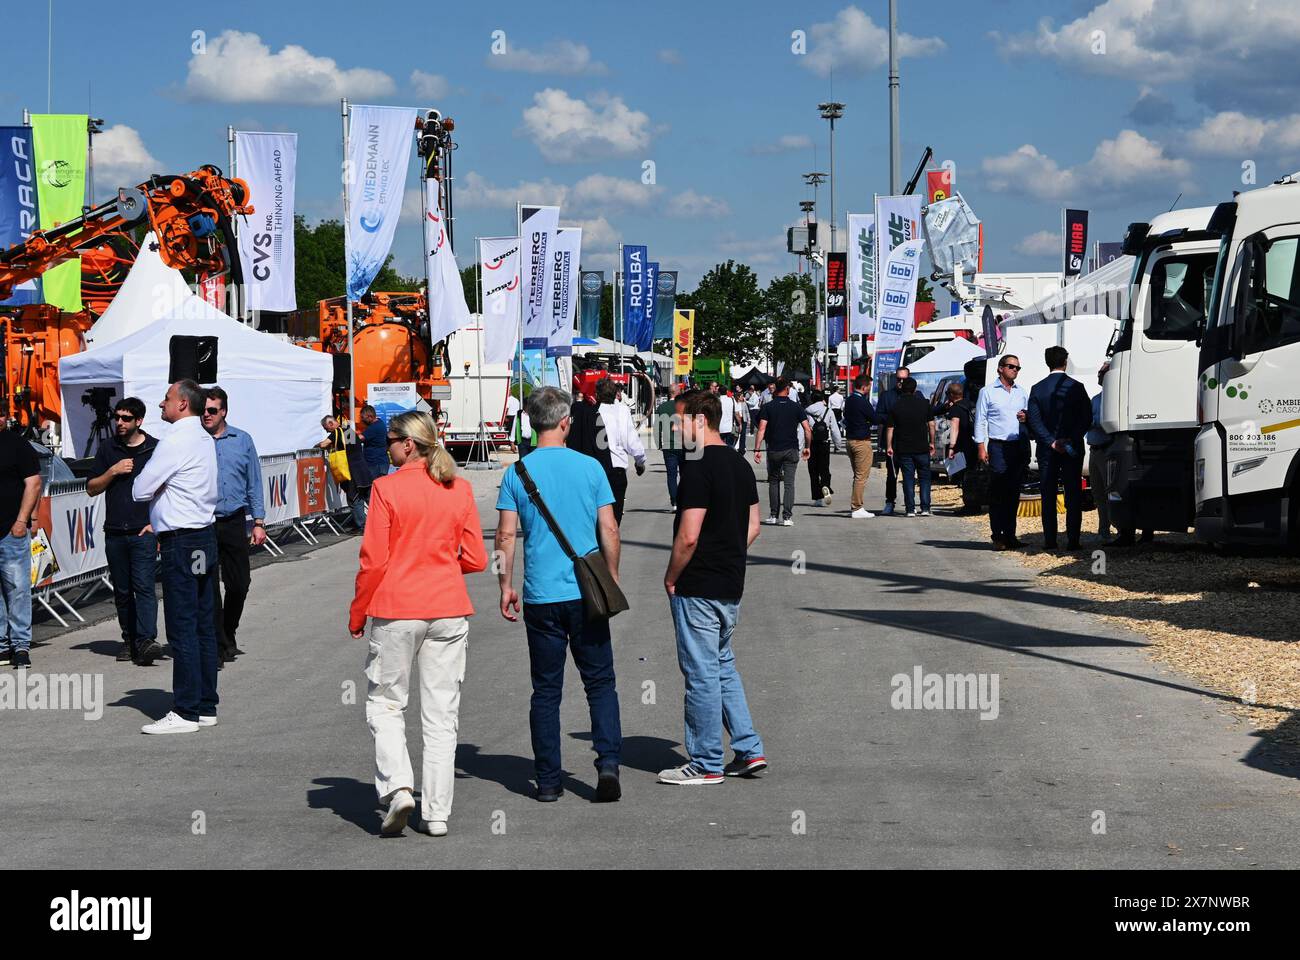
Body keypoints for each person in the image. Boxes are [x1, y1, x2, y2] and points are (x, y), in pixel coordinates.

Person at [349, 411, 487, 838]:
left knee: (387, 704)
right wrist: (441, 563)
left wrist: (358, 611)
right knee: (441, 714)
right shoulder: (458, 488)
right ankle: (438, 813)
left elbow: (374, 560)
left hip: (397, 608)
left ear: (408, 444)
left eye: (391, 440)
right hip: (448, 607)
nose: (386, 446)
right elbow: (477, 558)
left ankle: (399, 787)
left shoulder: (386, 488)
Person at [494, 386, 623, 803]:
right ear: (565, 422)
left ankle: (548, 781)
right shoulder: (590, 468)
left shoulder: (517, 473)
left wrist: (505, 584)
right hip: (587, 594)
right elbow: (610, 529)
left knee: (546, 690)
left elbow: (504, 536)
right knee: (600, 682)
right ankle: (607, 765)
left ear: (531, 423)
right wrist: (612, 577)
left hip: (541, 596)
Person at [659, 390, 767, 786]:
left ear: (700, 421)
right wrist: (730, 552)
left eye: (680, 419)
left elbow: (688, 535)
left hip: (698, 583)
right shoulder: (740, 465)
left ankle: (705, 761)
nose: (674, 426)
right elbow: (752, 525)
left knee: (701, 671)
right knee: (722, 665)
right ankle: (748, 747)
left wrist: (672, 576)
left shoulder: (697, 465)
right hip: (730, 580)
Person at [132, 380, 220, 734]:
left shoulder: (176, 440)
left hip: (181, 541)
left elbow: (140, 489)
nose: (161, 404)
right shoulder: (202, 437)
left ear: (183, 404)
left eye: (167, 399)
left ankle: (185, 711)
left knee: (183, 625)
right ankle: (204, 703)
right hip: (202, 536)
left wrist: (161, 490)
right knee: (202, 622)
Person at [87, 397, 161, 666]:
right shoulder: (108, 448)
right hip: (116, 531)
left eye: (126, 418)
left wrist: (158, 525)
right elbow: (92, 487)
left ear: (138, 421)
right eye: (117, 417)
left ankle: (146, 641)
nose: (119, 422)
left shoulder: (154, 448)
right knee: (122, 590)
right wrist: (113, 471)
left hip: (143, 531)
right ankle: (130, 640)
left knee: (143, 587)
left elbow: (166, 489)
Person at [202, 387, 267, 664]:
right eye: (203, 410)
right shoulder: (195, 441)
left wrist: (259, 521)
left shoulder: (242, 440)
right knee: (208, 587)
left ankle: (228, 633)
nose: (206, 415)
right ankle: (216, 644)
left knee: (239, 584)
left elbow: (254, 481)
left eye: (212, 410)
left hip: (234, 521)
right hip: (203, 523)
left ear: (224, 412)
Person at [1027, 346, 1093, 551]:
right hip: (1072, 447)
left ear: (1047, 362)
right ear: (1065, 361)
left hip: (1048, 450)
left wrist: (1051, 441)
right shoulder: (1077, 387)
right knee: (1073, 493)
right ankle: (1073, 540)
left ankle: (1050, 540)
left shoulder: (1037, 389)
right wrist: (1069, 440)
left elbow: (1035, 421)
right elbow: (1086, 418)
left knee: (1048, 494)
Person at [973, 355, 1030, 550]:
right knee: (998, 491)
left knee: (1013, 492)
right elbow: (980, 420)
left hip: (1017, 445)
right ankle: (998, 535)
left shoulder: (1022, 392)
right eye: (1011, 366)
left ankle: (1011, 535)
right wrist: (981, 446)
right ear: (1000, 369)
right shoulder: (987, 392)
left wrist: (1026, 417)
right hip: (998, 446)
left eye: (1017, 367)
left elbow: (1029, 415)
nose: (1014, 370)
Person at [0, 424, 42, 669]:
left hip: (11, 529)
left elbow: (34, 483)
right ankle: (2, 645)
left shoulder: (16, 444)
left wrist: (22, 520)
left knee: (17, 589)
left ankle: (20, 646)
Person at [753, 378, 811, 526]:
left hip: (774, 449)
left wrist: (757, 449)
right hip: (791, 449)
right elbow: (807, 429)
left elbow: (761, 429)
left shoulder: (768, 407)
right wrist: (807, 447)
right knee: (789, 484)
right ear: (787, 389)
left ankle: (773, 515)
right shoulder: (796, 407)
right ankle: (787, 517)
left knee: (773, 482)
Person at [596, 378, 646, 525]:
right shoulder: (622, 411)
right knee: (615, 517)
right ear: (616, 393)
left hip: (597, 469)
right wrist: (640, 460)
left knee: (598, 516)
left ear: (598, 394)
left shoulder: (593, 411)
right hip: (617, 469)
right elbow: (630, 439)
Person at [885, 378, 936, 517]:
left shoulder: (895, 406)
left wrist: (889, 446)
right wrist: (932, 442)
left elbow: (890, 428)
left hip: (903, 447)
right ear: (915, 389)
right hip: (921, 446)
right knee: (925, 477)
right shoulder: (924, 404)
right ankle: (925, 508)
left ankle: (910, 508)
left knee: (908, 478)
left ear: (902, 388)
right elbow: (931, 425)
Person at [874, 366, 914, 516]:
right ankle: (890, 502)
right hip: (893, 442)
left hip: (910, 441)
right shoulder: (887, 396)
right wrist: (894, 418)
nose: (901, 382)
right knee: (892, 474)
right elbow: (878, 416)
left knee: (909, 475)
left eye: (904, 379)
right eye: (898, 379)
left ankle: (911, 505)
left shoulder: (916, 395)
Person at [319, 414, 370, 531]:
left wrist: (317, 445)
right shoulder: (348, 431)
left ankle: (362, 527)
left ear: (331, 424)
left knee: (354, 499)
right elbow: (350, 446)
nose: (327, 431)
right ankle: (380, 522)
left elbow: (323, 444)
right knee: (368, 498)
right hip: (362, 470)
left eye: (326, 428)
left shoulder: (336, 433)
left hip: (351, 472)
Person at [844, 374, 877, 519]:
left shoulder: (849, 400)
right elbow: (874, 417)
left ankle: (857, 506)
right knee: (861, 476)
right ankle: (857, 507)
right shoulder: (862, 401)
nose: (870, 389)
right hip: (861, 441)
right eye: (869, 386)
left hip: (850, 440)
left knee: (858, 475)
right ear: (864, 387)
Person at [1088, 366, 1114, 542]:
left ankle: (1117, 529)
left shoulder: (1114, 398)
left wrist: (1096, 423)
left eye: (1102, 373)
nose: (1098, 376)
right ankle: (1103, 529)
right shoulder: (1095, 399)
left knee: (1110, 492)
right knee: (1098, 493)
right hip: (1094, 449)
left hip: (1107, 449)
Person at [943, 381, 978, 509]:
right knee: (973, 474)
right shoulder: (972, 404)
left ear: (951, 394)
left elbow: (954, 427)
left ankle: (969, 505)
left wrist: (951, 447)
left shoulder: (956, 408)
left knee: (965, 477)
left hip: (962, 446)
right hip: (975, 444)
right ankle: (975, 502)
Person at [804, 390, 841, 507]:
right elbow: (834, 429)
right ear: (822, 399)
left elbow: (804, 431)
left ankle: (817, 498)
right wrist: (838, 444)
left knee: (813, 471)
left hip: (812, 443)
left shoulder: (807, 412)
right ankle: (825, 485)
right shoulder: (828, 411)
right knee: (824, 468)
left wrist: (803, 447)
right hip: (825, 443)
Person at [653, 383, 685, 508]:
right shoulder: (683, 406)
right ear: (678, 392)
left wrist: (659, 444)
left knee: (671, 475)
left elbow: (657, 428)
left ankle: (674, 501)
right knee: (684, 474)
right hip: (683, 445)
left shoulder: (662, 407)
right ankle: (683, 499)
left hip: (668, 446)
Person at [359, 405, 390, 482]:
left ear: (370, 417)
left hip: (376, 464)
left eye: (363, 418)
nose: (362, 420)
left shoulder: (374, 427)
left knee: (374, 487)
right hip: (379, 462)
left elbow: (358, 439)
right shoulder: (379, 422)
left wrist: (346, 432)